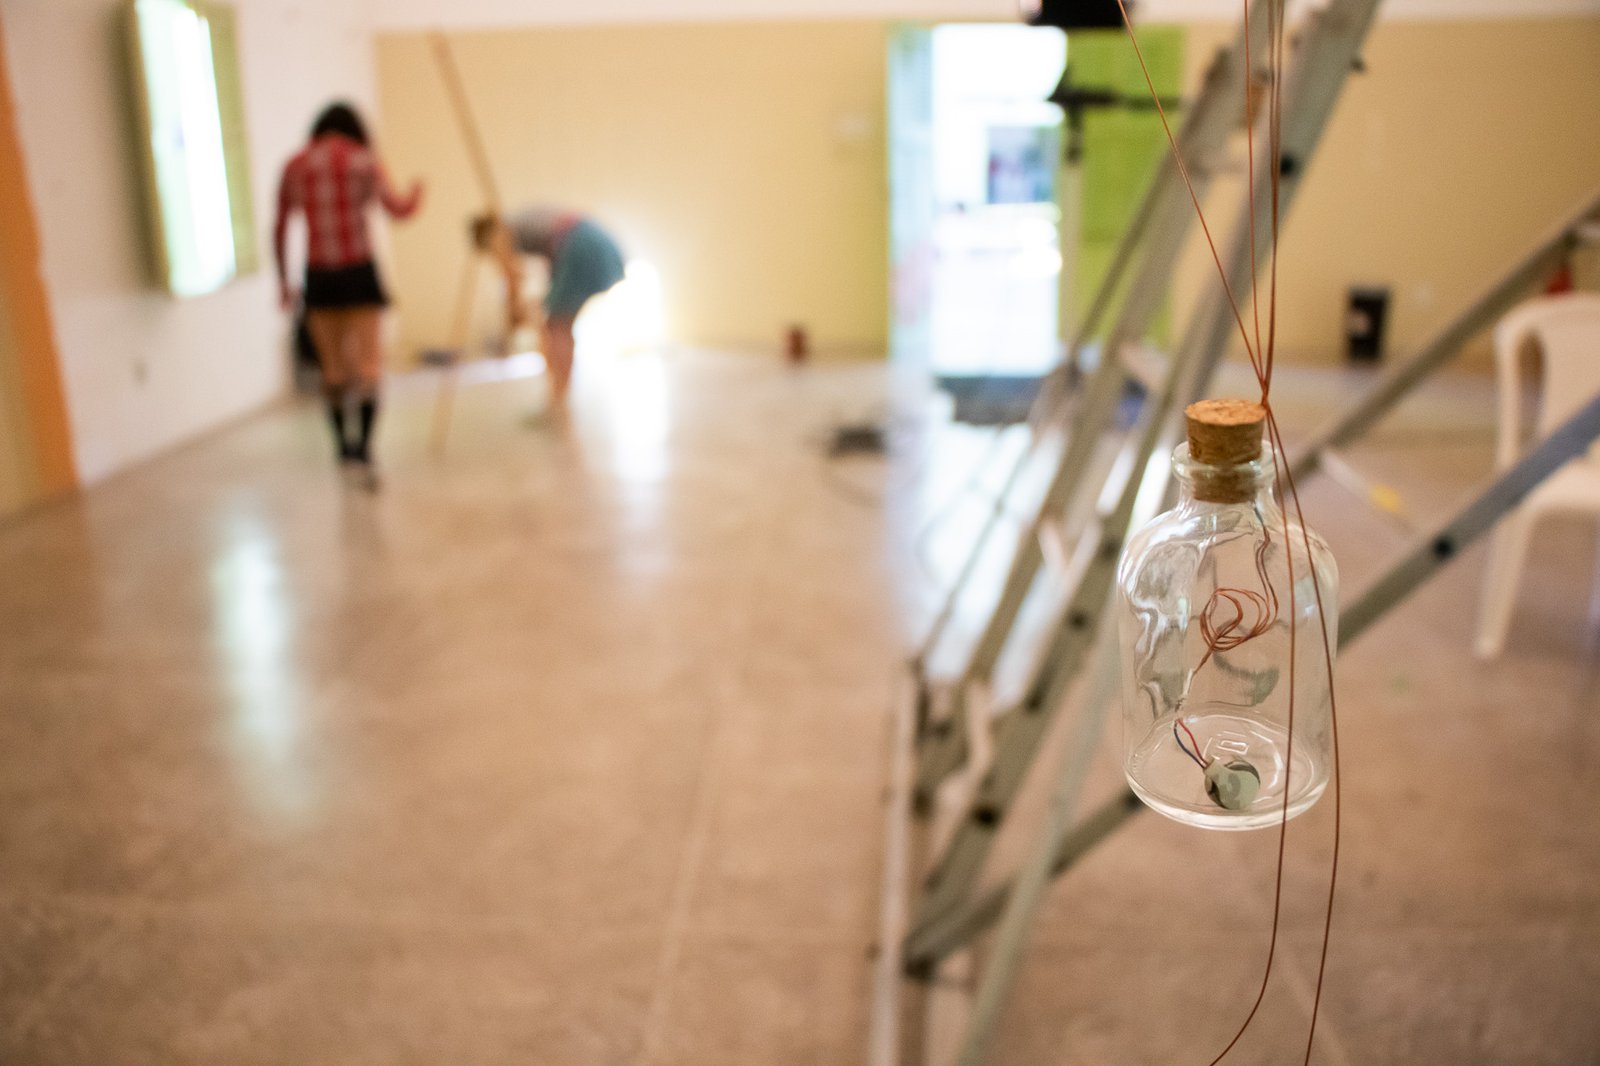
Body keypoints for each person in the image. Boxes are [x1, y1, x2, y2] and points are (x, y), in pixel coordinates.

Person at [273, 102, 422, 486]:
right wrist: (416, 193)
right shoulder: (363, 160)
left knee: (334, 370)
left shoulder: (297, 165)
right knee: (369, 366)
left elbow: (280, 226)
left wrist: (283, 282)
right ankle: (365, 448)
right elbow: (398, 209)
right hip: (359, 272)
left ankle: (343, 447)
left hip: (319, 275)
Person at [470, 207, 626, 414]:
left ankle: (558, 400)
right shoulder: (520, 222)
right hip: (598, 244)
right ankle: (559, 396)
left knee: (556, 327)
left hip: (579, 244)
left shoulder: (501, 231)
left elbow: (512, 276)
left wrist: (512, 320)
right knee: (559, 325)